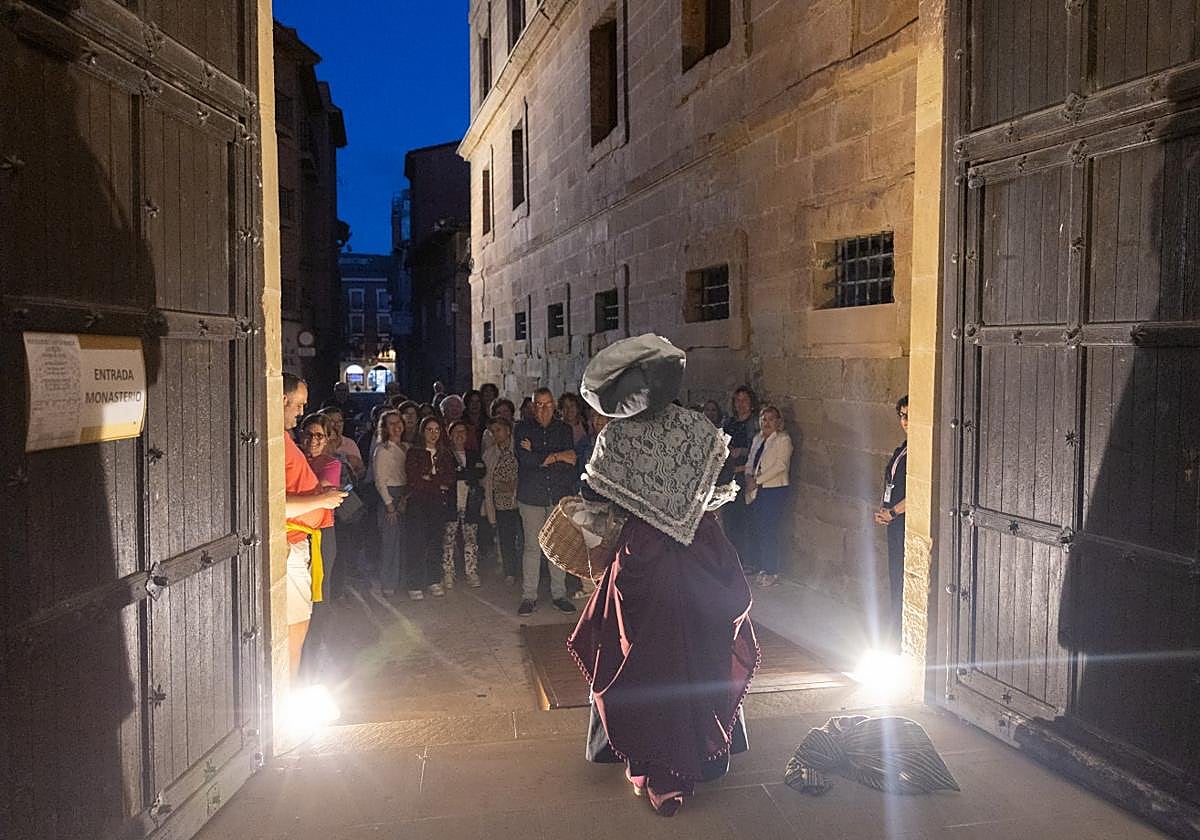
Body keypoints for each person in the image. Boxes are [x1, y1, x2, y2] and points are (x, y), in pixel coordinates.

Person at [566, 334, 759, 817]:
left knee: (642, 659)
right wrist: (687, 506)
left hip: (644, 559)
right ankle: (707, 755)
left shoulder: (616, 438)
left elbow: (594, 501)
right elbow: (722, 487)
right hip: (701, 555)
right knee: (701, 651)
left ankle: (649, 760)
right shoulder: (699, 427)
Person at [282, 374, 346, 675]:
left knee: (302, 623)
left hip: (302, 540)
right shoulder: (278, 442)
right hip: (292, 542)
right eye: (299, 404)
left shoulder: (285, 441)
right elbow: (274, 502)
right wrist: (322, 500)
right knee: (294, 630)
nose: (300, 411)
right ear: (283, 399)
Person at [514, 387, 578, 615]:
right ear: (533, 407)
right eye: (539, 404)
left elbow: (570, 463)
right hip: (531, 496)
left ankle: (559, 594)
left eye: (547, 404)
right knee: (532, 547)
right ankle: (529, 596)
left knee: (557, 546)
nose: (543, 409)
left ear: (554, 406)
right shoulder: (522, 429)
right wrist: (556, 456)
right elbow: (526, 461)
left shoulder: (564, 430)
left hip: (556, 495)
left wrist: (540, 455)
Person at [297, 412, 345, 682]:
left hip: (321, 533)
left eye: (319, 436)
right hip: (297, 532)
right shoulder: (298, 458)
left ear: (328, 440)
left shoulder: (331, 464)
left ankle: (314, 655)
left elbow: (322, 492)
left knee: (319, 593)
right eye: (309, 434)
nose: (313, 440)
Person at [405, 416, 456, 599]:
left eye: (436, 430)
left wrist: (430, 479)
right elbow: (414, 479)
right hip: (418, 503)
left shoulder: (445, 454)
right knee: (417, 542)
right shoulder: (414, 452)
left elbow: (449, 478)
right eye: (429, 429)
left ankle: (433, 579)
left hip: (437, 503)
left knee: (435, 541)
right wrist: (436, 483)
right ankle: (415, 582)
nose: (433, 434)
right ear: (422, 431)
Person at [745, 405, 793, 587]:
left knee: (769, 530)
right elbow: (752, 459)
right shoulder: (758, 438)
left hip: (774, 489)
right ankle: (762, 566)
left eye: (771, 419)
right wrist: (748, 476)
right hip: (757, 488)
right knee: (758, 528)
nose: (767, 423)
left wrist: (758, 480)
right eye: (764, 419)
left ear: (778, 421)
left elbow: (780, 465)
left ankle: (772, 570)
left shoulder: (783, 440)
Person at [874, 395, 908, 649]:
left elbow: (919, 491)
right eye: (902, 416)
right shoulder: (904, 447)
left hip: (905, 521)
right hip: (894, 520)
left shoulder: (920, 449)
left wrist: (894, 512)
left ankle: (901, 635)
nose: (905, 421)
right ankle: (895, 632)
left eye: (911, 416)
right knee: (896, 576)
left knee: (904, 578)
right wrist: (885, 509)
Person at [444, 421, 486, 588]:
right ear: (450, 435)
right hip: (451, 501)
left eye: (463, 432)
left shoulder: (473, 454)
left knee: (471, 538)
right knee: (448, 539)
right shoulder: (446, 455)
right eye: (456, 432)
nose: (460, 435)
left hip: (470, 502)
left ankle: (471, 571)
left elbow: (481, 471)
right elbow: (448, 475)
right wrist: (467, 473)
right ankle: (448, 572)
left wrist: (464, 473)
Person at [722, 386, 759, 572]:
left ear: (751, 403)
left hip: (745, 475)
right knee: (730, 519)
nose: (740, 404)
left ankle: (747, 560)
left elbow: (757, 449)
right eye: (737, 400)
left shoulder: (754, 424)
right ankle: (732, 559)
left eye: (744, 400)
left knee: (746, 519)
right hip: (729, 475)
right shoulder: (729, 423)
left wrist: (741, 453)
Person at [373, 409, 409, 596]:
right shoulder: (383, 450)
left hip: (405, 494)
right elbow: (380, 481)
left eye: (398, 422)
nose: (396, 427)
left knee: (403, 541)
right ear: (385, 428)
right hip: (390, 496)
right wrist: (390, 506)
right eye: (391, 424)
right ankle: (388, 582)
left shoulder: (407, 447)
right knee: (390, 543)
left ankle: (401, 581)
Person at [482, 416, 522, 586]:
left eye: (498, 430)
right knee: (506, 538)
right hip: (501, 504)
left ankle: (528, 569)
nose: (495, 434)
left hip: (521, 501)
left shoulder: (519, 449)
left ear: (508, 430)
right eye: (492, 431)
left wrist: (514, 485)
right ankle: (510, 571)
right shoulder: (489, 454)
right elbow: (486, 480)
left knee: (525, 537)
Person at [319, 406, 366, 481]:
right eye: (332, 421)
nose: (337, 424)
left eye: (340, 421)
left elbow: (361, 471)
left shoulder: (350, 444)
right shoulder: (316, 445)